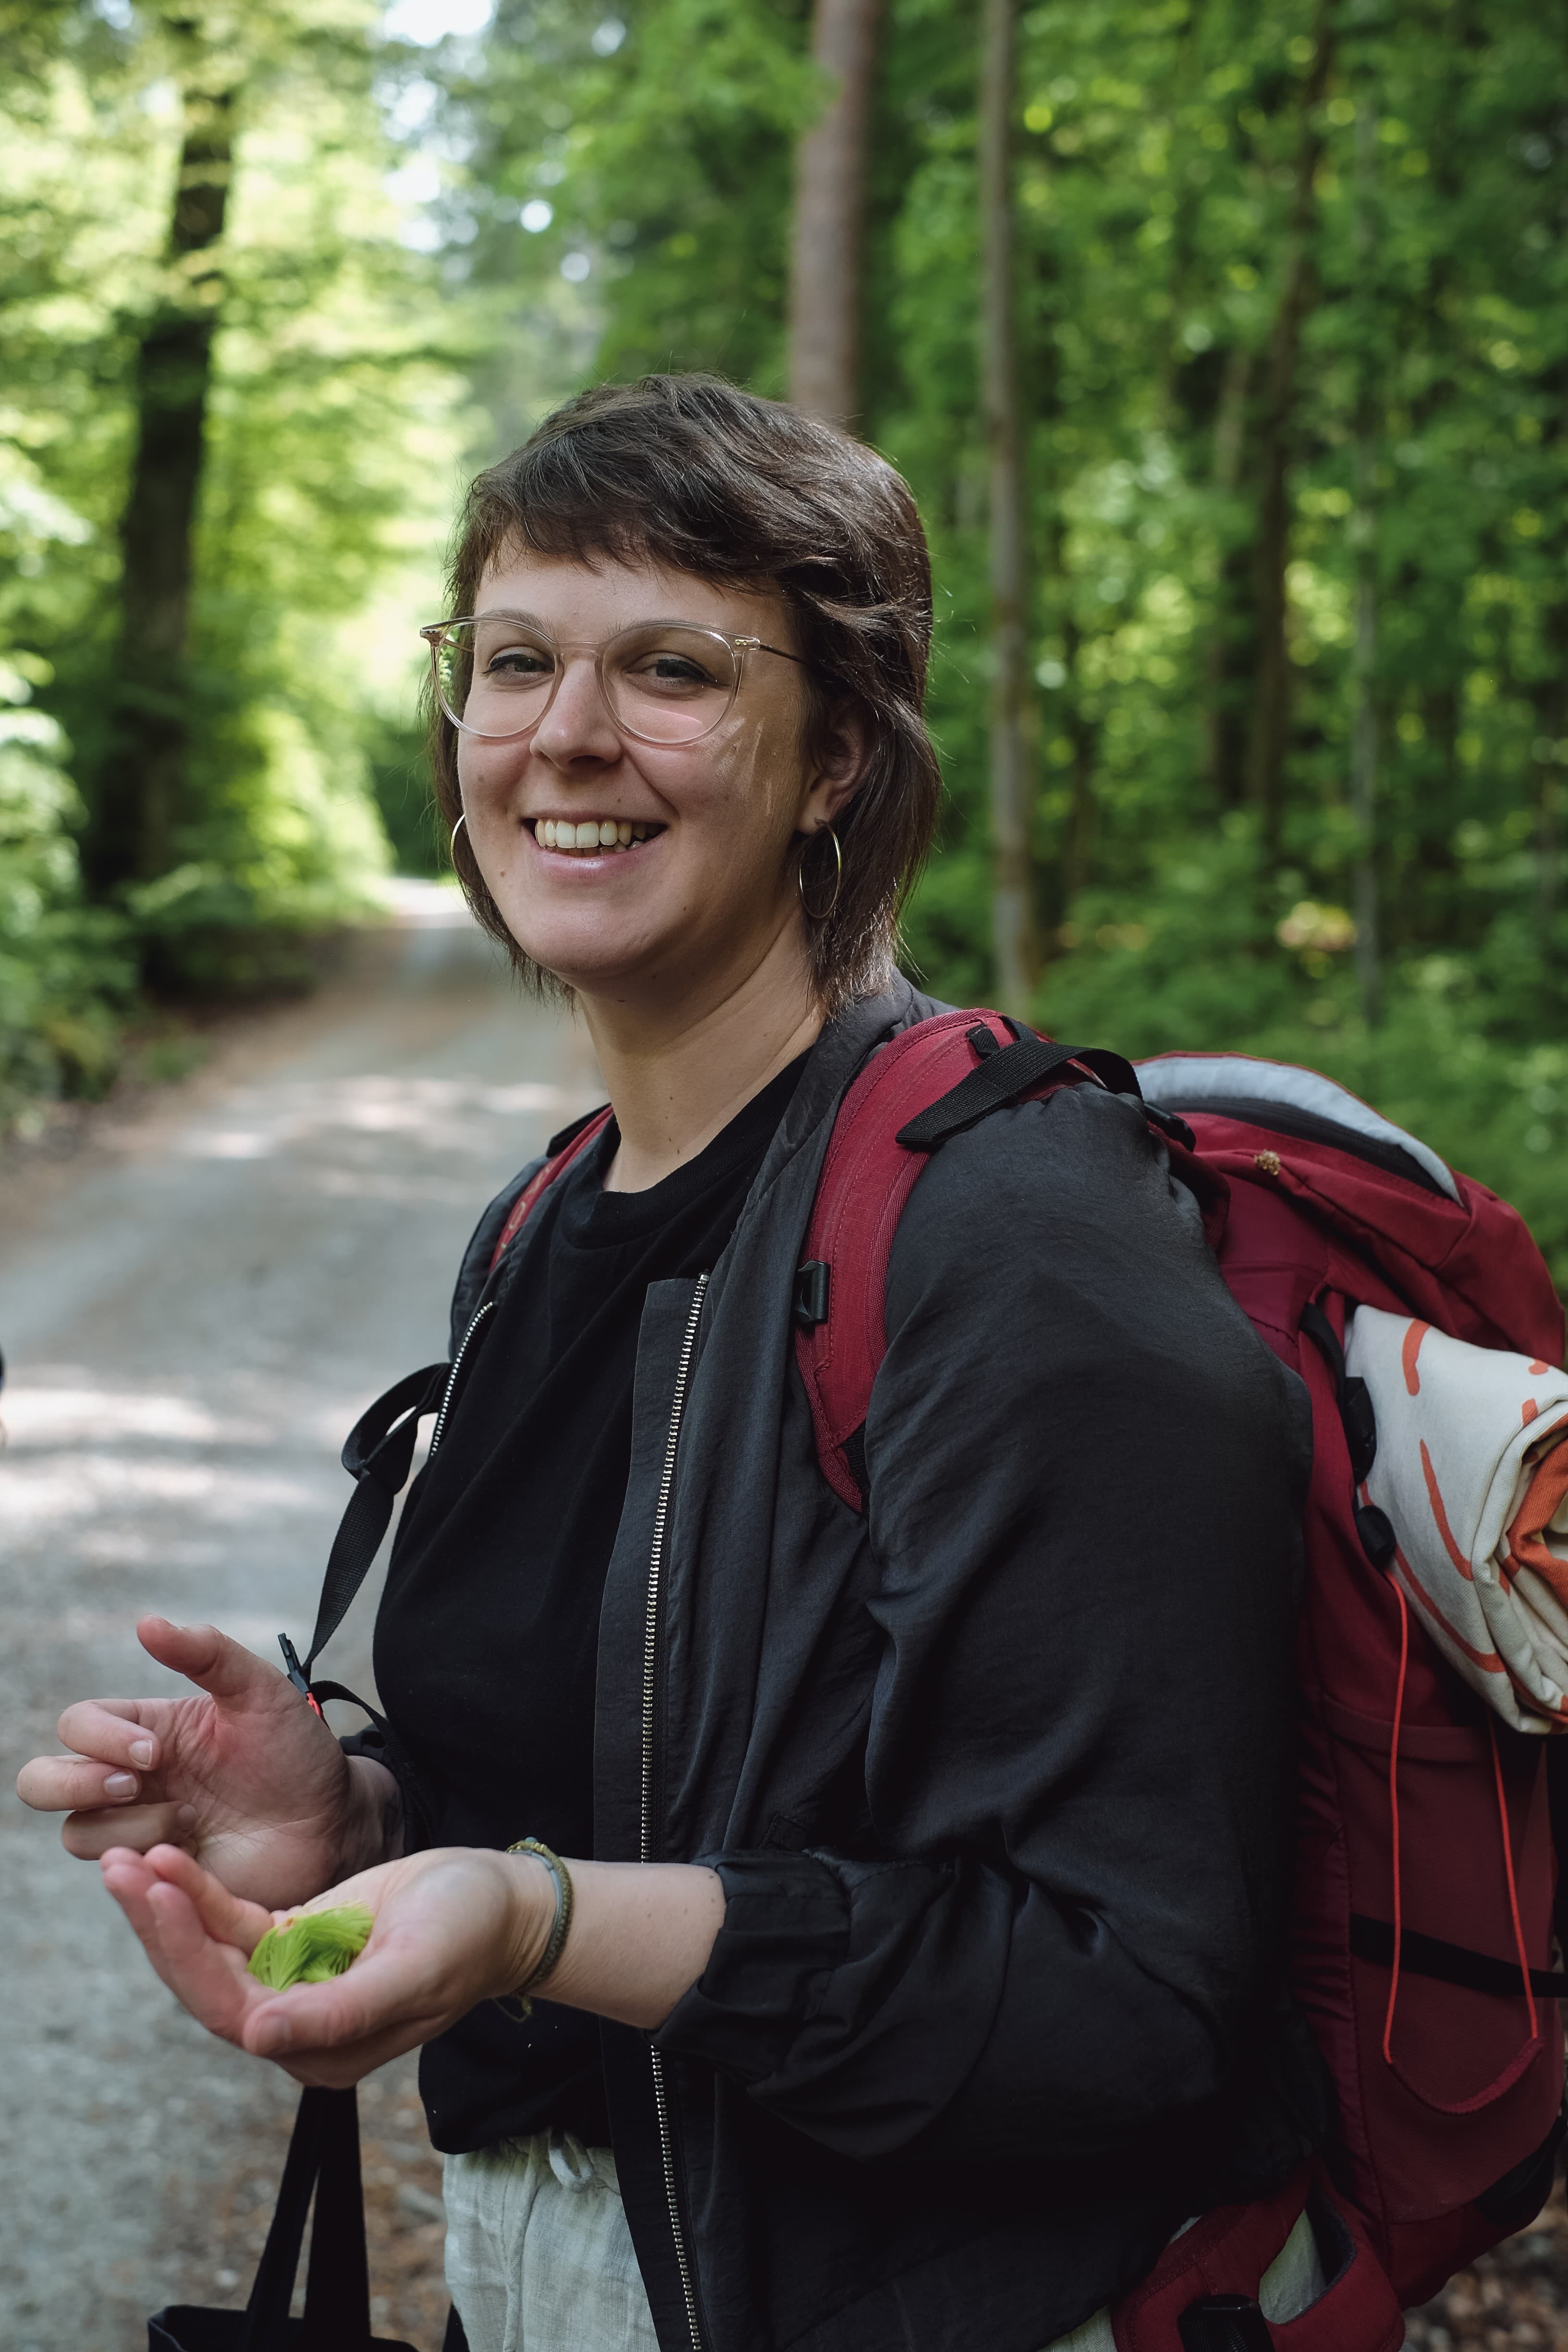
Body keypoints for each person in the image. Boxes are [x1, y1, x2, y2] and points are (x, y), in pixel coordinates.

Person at [17, 374, 1329, 2352]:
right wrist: (360, 1827)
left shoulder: (1016, 1245)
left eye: (675, 672)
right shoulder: (551, 1218)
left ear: (832, 761)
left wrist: (541, 1925)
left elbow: (1127, 2001)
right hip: (568, 2275)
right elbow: (618, 1779)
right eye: (517, 659)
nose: (566, 734)